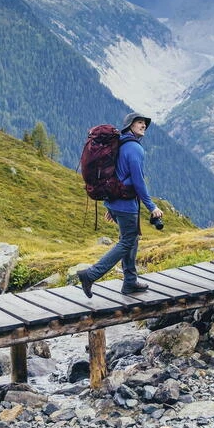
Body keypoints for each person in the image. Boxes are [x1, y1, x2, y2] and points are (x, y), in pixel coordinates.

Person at [77, 112, 163, 297]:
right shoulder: (134, 149)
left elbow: (112, 174)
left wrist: (110, 205)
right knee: (127, 242)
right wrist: (152, 207)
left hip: (116, 202)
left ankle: (130, 282)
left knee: (131, 240)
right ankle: (90, 275)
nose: (143, 126)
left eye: (145, 124)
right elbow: (138, 181)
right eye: (139, 122)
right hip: (125, 205)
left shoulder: (120, 144)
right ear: (130, 126)